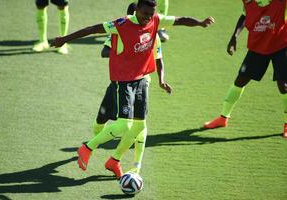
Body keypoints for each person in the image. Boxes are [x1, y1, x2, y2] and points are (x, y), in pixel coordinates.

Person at [52, 0, 215, 179]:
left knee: (140, 126)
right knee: (124, 124)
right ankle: (87, 147)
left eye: (150, 14)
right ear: (137, 10)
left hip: (142, 80)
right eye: (145, 13)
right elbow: (92, 29)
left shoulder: (156, 20)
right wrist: (64, 39)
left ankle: (114, 161)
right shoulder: (121, 24)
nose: (147, 18)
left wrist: (199, 22)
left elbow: (181, 20)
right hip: (123, 81)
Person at [98, 2, 172, 174]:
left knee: (139, 127)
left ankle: (134, 166)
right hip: (119, 84)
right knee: (102, 119)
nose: (144, 20)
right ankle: (91, 147)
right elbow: (104, 52)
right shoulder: (119, 30)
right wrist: (128, 54)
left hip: (142, 82)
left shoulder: (153, 34)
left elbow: (159, 58)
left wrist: (161, 80)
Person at [203, 0, 287, 138]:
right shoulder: (248, 1)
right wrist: (234, 37)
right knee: (241, 80)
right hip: (258, 45)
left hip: (281, 45)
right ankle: (223, 118)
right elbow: (245, 15)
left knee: (283, 85)